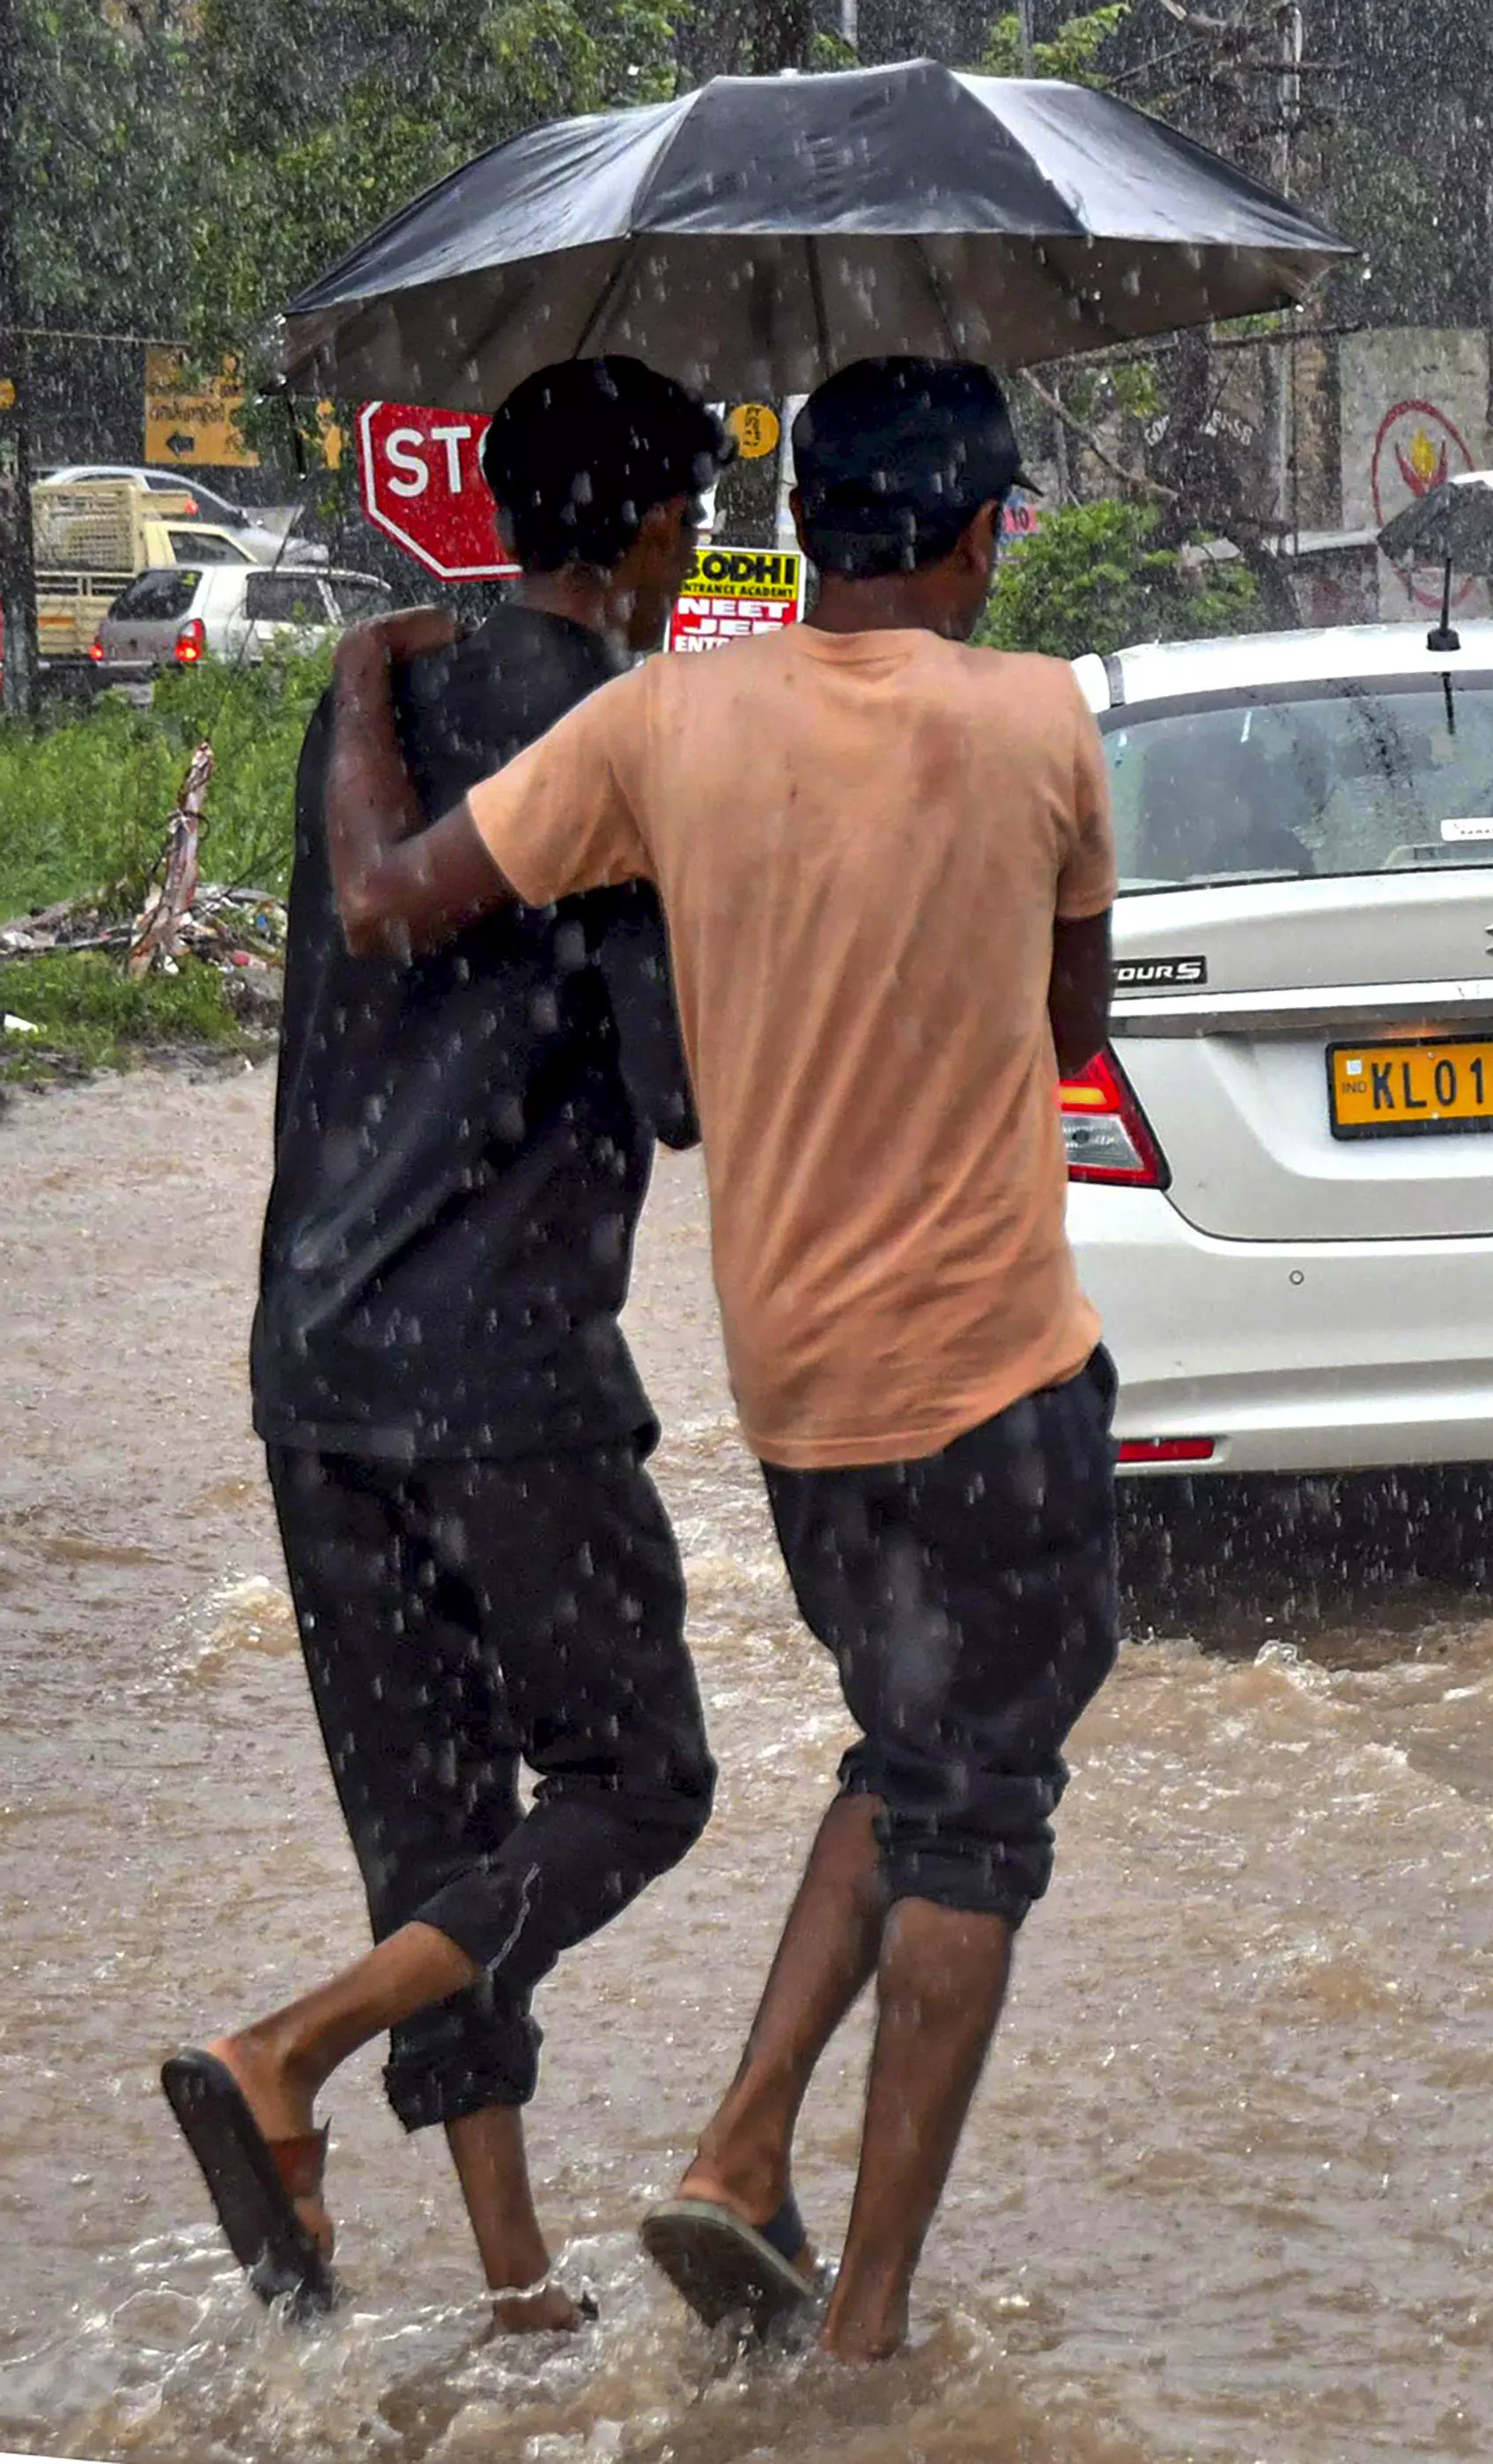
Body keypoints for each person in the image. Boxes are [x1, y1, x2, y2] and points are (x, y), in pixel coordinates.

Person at [310, 355, 1121, 2364]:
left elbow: (388, 900)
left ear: (789, 525)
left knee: (880, 1753)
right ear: (975, 532)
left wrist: (351, 699)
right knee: (946, 1807)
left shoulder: (655, 718)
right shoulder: (1034, 717)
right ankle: (858, 2329)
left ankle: (679, 2190)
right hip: (975, 1373)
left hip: (768, 1399)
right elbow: (1071, 1027)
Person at [158, 359, 728, 2335]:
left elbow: (375, 928)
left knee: (438, 1828)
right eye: (693, 520)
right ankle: (286, 2055)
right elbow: (676, 1093)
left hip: (311, 1361)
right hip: (506, 1367)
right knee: (641, 1784)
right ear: (658, 530)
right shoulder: (634, 746)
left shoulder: (369, 697)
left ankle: (515, 2290)